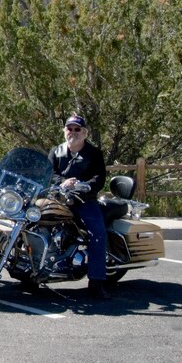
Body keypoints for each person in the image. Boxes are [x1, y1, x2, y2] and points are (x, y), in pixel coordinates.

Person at [48, 114, 110, 299]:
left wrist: (82, 187)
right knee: (32, 221)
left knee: (97, 233)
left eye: (77, 129)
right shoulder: (56, 151)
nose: (73, 132)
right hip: (58, 198)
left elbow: (99, 179)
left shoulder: (93, 153)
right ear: (64, 130)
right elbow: (49, 173)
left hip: (83, 200)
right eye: (69, 128)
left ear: (84, 133)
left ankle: (97, 281)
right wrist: (63, 182)